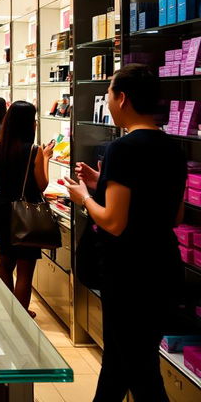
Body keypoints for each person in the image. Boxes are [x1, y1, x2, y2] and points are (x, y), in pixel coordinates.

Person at [62, 64, 186, 402]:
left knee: (140, 370)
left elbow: (115, 222)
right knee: (119, 361)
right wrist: (101, 182)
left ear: (123, 98)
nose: (109, 101)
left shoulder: (123, 148)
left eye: (109, 94)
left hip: (129, 273)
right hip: (164, 264)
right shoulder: (173, 146)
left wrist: (84, 196)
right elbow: (173, 215)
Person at [0, 100, 54, 315]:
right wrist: (47, 159)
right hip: (25, 213)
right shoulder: (34, 150)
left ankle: (6, 311)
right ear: (29, 123)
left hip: (1, 208)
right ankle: (21, 317)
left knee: (5, 263)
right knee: (25, 271)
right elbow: (42, 185)